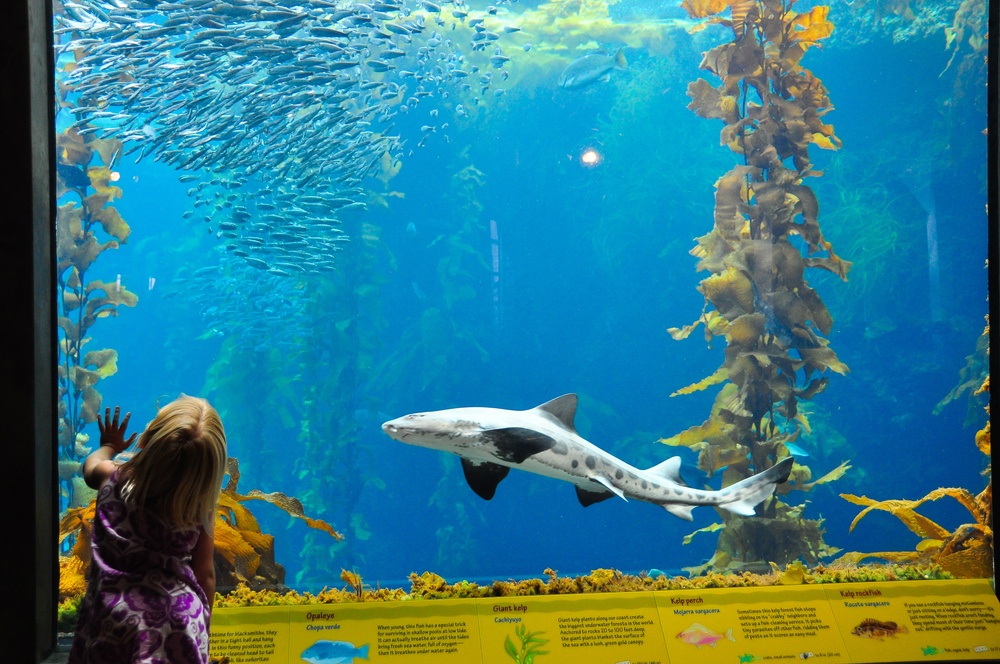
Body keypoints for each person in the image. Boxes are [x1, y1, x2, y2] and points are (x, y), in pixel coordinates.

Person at [69, 396, 228, 664]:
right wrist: (203, 628)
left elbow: (89, 468)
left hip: (116, 617)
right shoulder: (199, 509)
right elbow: (206, 575)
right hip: (181, 622)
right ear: (210, 472)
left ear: (145, 440)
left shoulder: (112, 477)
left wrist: (108, 446)